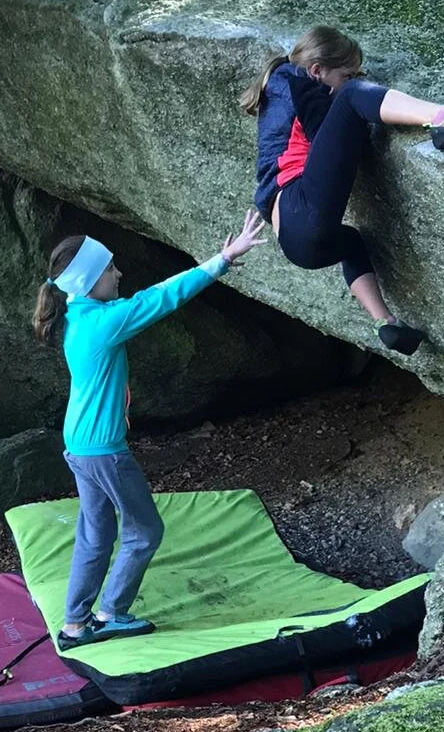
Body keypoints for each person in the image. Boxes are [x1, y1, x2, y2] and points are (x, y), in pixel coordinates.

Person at [32, 212, 267, 650]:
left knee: (96, 534)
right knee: (145, 531)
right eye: (109, 269)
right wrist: (223, 260)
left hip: (80, 446)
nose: (119, 273)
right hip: (103, 450)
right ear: (88, 281)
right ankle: (111, 614)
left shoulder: (79, 317)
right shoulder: (104, 322)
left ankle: (75, 626)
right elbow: (162, 298)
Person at [242, 25, 444, 355]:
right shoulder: (298, 83)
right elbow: (329, 121)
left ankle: (385, 322)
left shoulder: (282, 91)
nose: (353, 76)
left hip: (296, 244)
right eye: (347, 72)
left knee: (353, 242)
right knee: (353, 95)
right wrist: (357, 94)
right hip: (300, 203)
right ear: (317, 71)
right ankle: (443, 117)